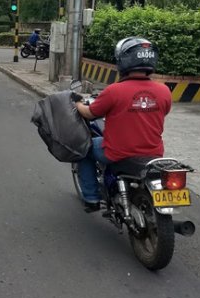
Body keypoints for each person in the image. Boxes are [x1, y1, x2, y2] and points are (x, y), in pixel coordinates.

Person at [73, 37, 172, 212]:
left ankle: (91, 197)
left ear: (123, 61)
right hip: (154, 154)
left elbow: (91, 113)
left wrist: (78, 104)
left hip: (117, 152)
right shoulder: (164, 90)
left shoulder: (114, 91)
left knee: (83, 149)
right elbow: (163, 112)